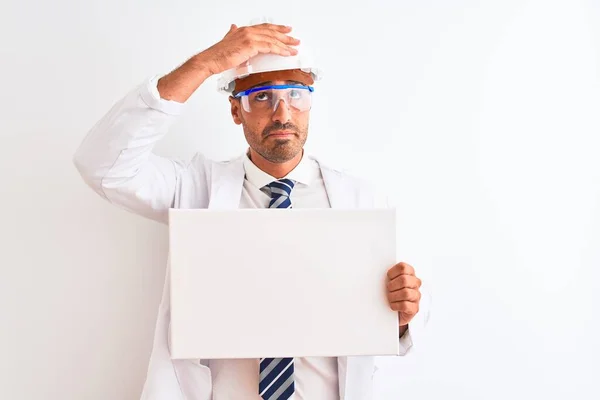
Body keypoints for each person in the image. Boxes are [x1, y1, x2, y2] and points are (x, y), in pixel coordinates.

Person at [73, 18, 430, 400]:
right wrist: (205, 64)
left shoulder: (363, 201)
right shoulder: (194, 189)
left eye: (296, 94)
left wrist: (401, 317)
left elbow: (399, 317)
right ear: (235, 110)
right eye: (261, 96)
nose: (282, 113)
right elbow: (103, 165)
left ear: (311, 101)